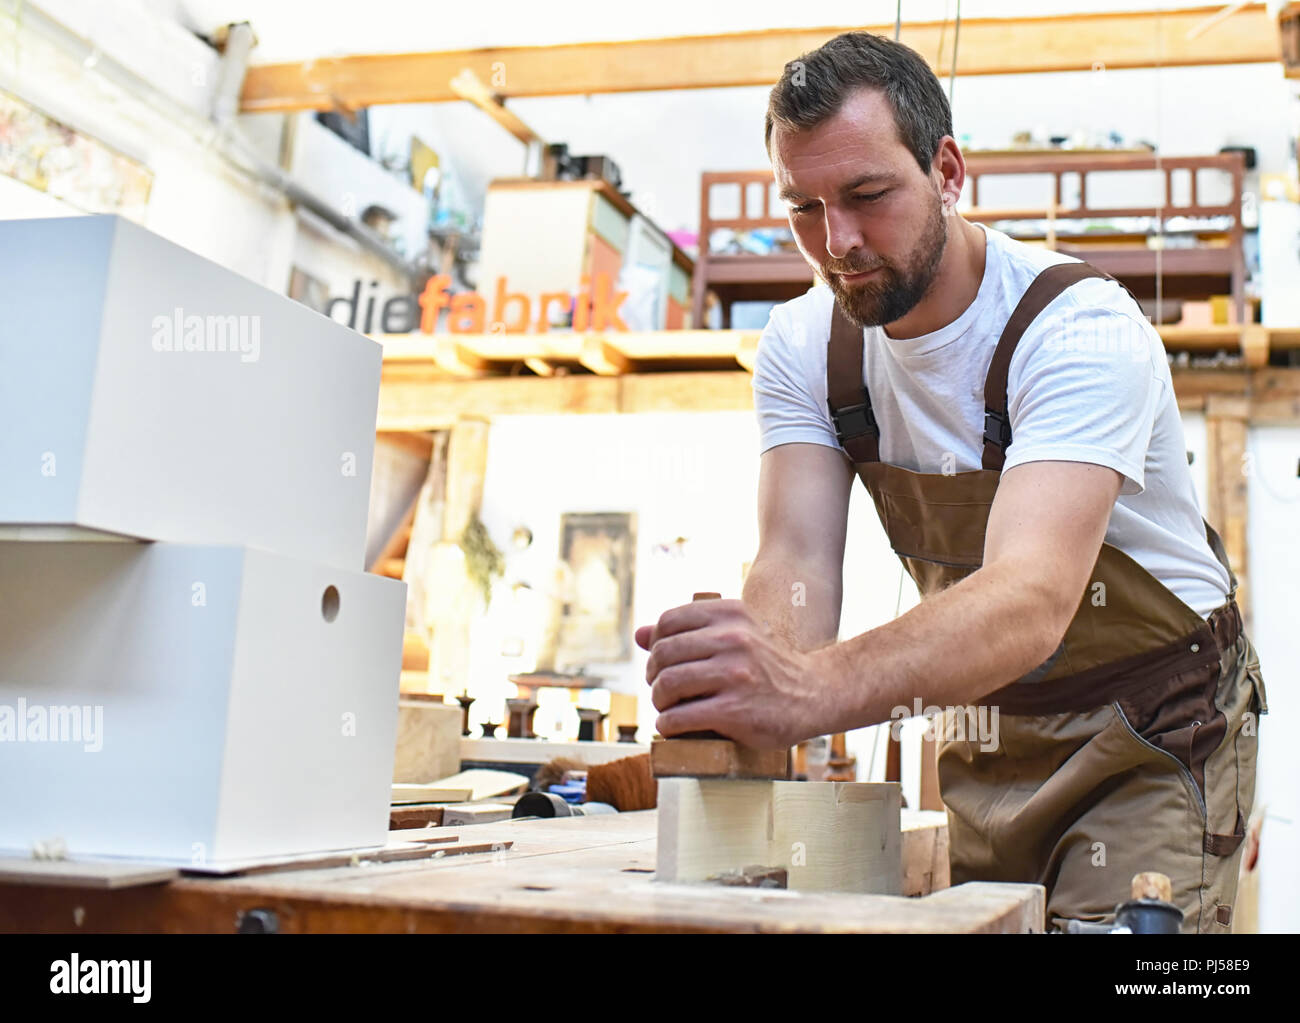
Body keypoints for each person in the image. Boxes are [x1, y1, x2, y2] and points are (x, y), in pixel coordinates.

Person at [634, 31, 1266, 933]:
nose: (837, 243)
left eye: (867, 196)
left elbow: (1031, 597)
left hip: (1157, 730)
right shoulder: (806, 347)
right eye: (804, 207)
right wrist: (749, 681)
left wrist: (808, 691)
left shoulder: (1076, 326)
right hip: (985, 730)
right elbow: (794, 560)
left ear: (948, 169)